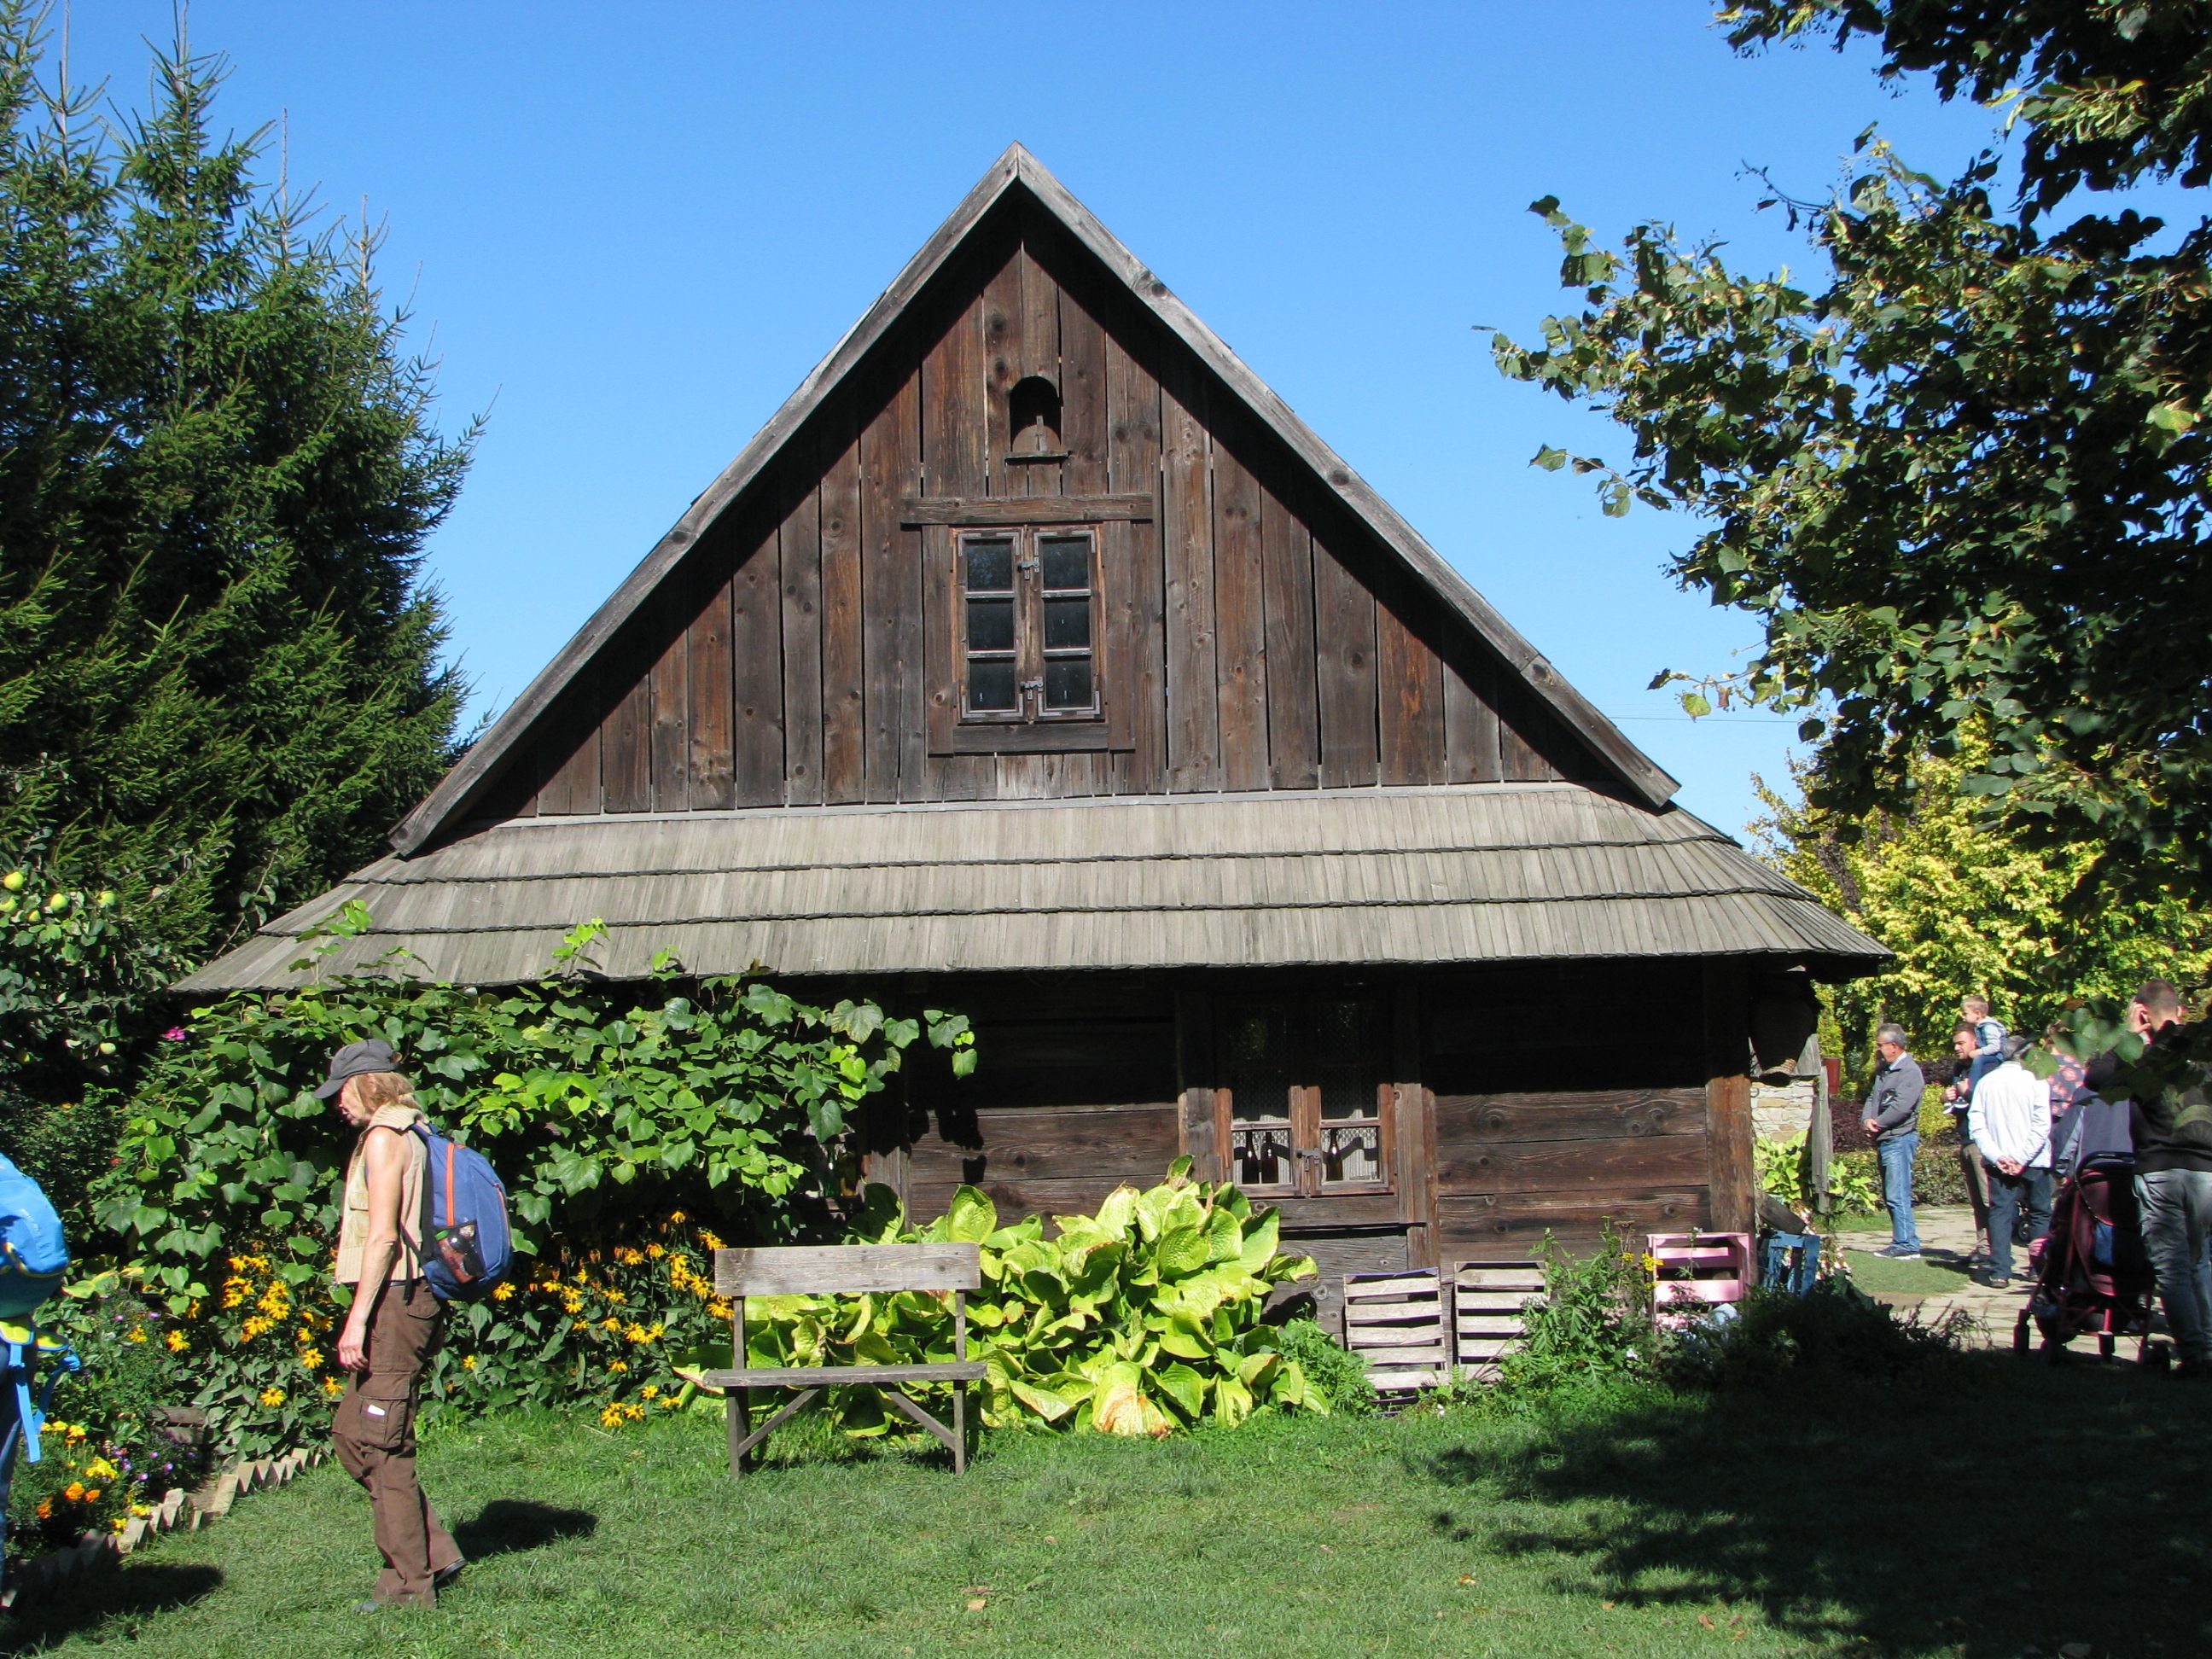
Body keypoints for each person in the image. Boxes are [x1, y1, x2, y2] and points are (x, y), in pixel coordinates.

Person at [322, 1039, 465, 1608]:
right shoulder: (415, 1131)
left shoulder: (386, 1138)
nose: (337, 1103)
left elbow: (383, 1237)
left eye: (341, 1091)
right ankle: (435, 1552)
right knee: (350, 1434)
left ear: (367, 1085)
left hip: (396, 1301)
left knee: (385, 1445)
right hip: (404, 1298)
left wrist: (355, 1322)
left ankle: (409, 1585)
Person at [2093, 980, 2212, 1381]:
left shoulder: (2145, 1057)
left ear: (2142, 1012)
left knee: (2172, 1267)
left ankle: (2194, 1356)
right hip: (2206, 1169)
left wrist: (2130, 1035)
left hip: (2161, 1168)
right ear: (2180, 1011)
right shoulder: (2203, 1054)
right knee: (2199, 1262)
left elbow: (2097, 1077)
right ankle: (2207, 1348)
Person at [1967, 1033, 2053, 1289]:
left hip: (2000, 1161)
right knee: (2039, 1212)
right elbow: (2042, 1125)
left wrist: (1998, 1156)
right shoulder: (2037, 1081)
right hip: (2034, 1160)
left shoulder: (1986, 1082)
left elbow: (1977, 1125)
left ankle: (2000, 1271)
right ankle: (2039, 1268)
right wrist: (2022, 1157)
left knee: (2000, 1213)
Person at [1862, 1023, 1924, 1260]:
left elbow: (1902, 1107)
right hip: (1885, 1139)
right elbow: (1872, 1097)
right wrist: (1867, 1120)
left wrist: (1878, 1123)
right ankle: (1903, 1241)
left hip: (1899, 1139)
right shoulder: (1885, 1071)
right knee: (1891, 1194)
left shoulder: (1910, 1072)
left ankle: (1906, 1244)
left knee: (1898, 1194)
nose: (1878, 1050)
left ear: (1894, 1046)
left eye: (1880, 1045)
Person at [1942, 1025, 1996, 1266]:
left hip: (1982, 1142)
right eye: (1955, 1043)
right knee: (1976, 1201)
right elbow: (1958, 1102)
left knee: (1988, 1199)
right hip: (1965, 1138)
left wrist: (1969, 1092)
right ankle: (1983, 1246)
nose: (1956, 1048)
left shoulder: (1987, 1066)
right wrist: (1945, 1098)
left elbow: (1989, 1103)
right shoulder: (1959, 1069)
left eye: (1961, 1043)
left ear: (1976, 1043)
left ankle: (1998, 1248)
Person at [1961, 995, 2007, 1091]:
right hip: (1992, 1055)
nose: (1963, 1017)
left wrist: (1979, 1052)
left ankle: (1971, 1088)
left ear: (1978, 1014)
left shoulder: (1988, 1027)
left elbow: (1995, 1047)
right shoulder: (1980, 1026)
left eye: (1965, 1014)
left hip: (1999, 1056)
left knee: (1979, 1059)